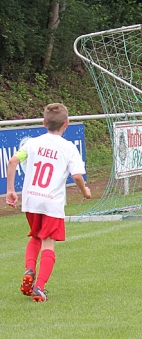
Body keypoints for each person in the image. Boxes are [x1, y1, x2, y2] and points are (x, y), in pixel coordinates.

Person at [5, 103, 91, 302]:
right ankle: (39, 287)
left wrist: (11, 190)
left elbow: (12, 161)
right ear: (66, 124)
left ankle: (29, 270)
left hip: (31, 199)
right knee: (48, 243)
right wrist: (85, 191)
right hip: (51, 202)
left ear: (44, 123)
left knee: (35, 236)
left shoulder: (33, 143)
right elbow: (77, 175)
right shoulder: (69, 148)